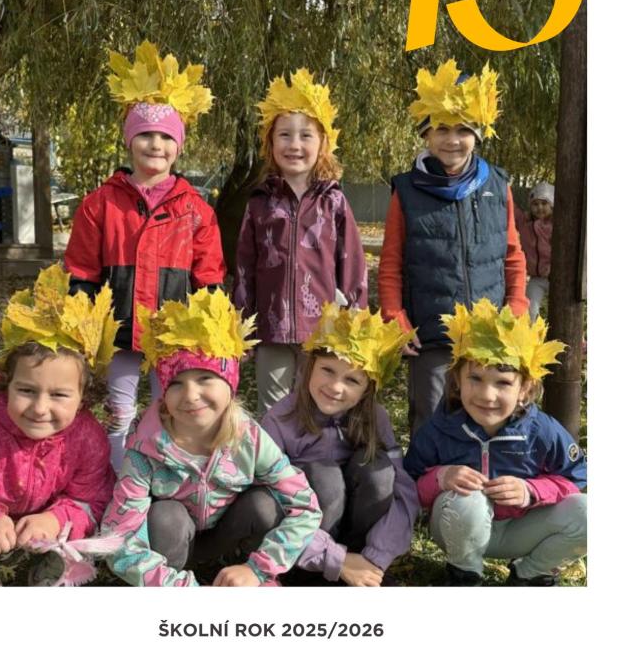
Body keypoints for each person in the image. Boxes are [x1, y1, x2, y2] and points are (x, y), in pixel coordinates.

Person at [65, 40, 226, 471]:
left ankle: (162, 480)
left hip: (172, 333)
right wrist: (81, 320)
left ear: (179, 146)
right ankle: (117, 481)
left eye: (166, 136)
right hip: (118, 329)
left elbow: (209, 275)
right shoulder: (100, 204)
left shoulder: (196, 210)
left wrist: (211, 328)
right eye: (146, 135)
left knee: (169, 410)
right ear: (129, 140)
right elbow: (82, 267)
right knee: (118, 412)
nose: (156, 144)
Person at [100, 288, 322, 586]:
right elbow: (118, 538)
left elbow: (306, 507)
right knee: (166, 516)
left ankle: (244, 576)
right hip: (172, 543)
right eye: (176, 384)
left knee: (264, 505)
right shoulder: (145, 449)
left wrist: (258, 570)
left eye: (205, 378)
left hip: (228, 535)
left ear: (230, 384)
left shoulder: (249, 438)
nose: (191, 395)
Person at [378, 60, 528, 434]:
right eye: (442, 129)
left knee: (487, 419)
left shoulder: (498, 185)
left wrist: (516, 307)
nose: (452, 140)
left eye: (463, 130)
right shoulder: (406, 190)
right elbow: (392, 261)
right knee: (430, 421)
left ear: (477, 134)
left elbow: (512, 255)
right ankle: (425, 474)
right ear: (426, 134)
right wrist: (395, 316)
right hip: (432, 335)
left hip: (488, 332)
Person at [0, 264, 117, 587]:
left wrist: (56, 518)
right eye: (26, 390)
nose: (40, 409)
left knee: (82, 531)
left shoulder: (88, 438)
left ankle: (49, 566)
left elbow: (94, 497)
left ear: (84, 396)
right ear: (6, 384)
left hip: (44, 515)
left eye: (59, 395)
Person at [404, 299, 587, 586]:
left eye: (502, 382)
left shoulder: (543, 431)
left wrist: (531, 490)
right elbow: (408, 483)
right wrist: (440, 477)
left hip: (522, 528)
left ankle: (531, 573)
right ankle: (465, 572)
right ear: (457, 381)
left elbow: (576, 476)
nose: (487, 395)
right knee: (469, 498)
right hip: (457, 528)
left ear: (524, 388)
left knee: (589, 513)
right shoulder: (439, 429)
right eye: (475, 378)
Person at [234, 68, 367, 415]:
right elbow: (245, 268)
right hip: (271, 328)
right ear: (270, 143)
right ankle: (274, 453)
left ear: (322, 144)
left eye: (305, 135)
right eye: (285, 135)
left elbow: (352, 266)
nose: (294, 145)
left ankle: (315, 452)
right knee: (274, 408)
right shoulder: (260, 203)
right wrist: (242, 323)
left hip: (322, 331)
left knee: (316, 406)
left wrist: (354, 320)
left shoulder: (333, 202)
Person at [262, 303, 419, 586]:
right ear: (309, 366)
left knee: (379, 470)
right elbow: (269, 498)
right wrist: (333, 558)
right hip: (303, 543)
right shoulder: (280, 419)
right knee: (324, 477)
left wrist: (376, 557)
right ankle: (311, 575)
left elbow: (403, 491)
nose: (335, 387)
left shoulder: (376, 418)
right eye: (327, 370)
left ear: (367, 389)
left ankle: (360, 569)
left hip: (360, 549)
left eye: (352, 380)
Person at [516, 181, 554, 321]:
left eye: (544, 203)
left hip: (555, 277)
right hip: (536, 278)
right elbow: (514, 211)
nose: (540, 207)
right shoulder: (525, 224)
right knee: (530, 309)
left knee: (560, 310)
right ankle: (533, 331)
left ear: (552, 205)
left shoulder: (555, 225)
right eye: (535, 204)